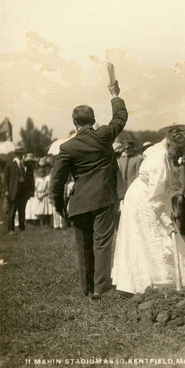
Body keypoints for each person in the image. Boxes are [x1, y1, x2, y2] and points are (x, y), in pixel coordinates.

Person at [51, 80, 127, 299]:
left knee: (84, 245)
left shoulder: (67, 147)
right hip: (103, 199)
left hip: (79, 203)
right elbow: (120, 117)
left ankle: (86, 288)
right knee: (102, 243)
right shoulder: (103, 135)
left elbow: (57, 182)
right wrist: (115, 95)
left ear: (74, 122)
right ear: (93, 120)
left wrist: (59, 207)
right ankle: (100, 288)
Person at [112, 127, 185, 294]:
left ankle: (162, 280)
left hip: (146, 195)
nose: (180, 156)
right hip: (143, 200)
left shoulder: (160, 148)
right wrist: (168, 222)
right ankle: (144, 283)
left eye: (183, 152)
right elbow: (156, 201)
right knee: (152, 236)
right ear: (169, 145)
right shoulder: (158, 165)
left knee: (151, 236)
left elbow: (149, 153)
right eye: (178, 151)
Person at [4, 142, 34, 234]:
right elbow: (6, 179)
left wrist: (31, 190)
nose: (23, 155)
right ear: (17, 153)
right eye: (21, 153)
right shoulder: (10, 164)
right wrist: (6, 190)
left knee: (22, 210)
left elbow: (30, 178)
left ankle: (22, 228)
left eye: (23, 153)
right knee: (12, 210)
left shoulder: (26, 164)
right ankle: (11, 229)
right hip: (14, 190)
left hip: (23, 191)